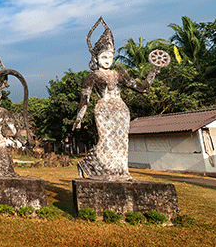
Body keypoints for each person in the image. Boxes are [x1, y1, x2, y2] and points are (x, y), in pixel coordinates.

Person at [72, 17, 168, 181]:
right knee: (105, 141)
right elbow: (85, 100)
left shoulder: (120, 75)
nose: (107, 60)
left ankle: (121, 173)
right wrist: (79, 119)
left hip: (121, 111)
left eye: (110, 57)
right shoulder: (91, 77)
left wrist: (153, 72)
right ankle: (89, 165)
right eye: (104, 57)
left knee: (121, 143)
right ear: (96, 59)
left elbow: (142, 88)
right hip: (103, 110)